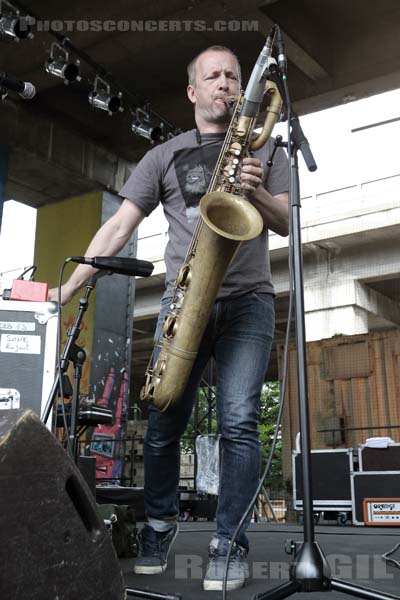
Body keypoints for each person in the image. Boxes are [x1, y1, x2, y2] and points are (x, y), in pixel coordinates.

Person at [50, 45, 289, 591]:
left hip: (248, 299)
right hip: (185, 304)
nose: (226, 83)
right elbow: (117, 229)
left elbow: (283, 223)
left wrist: (255, 190)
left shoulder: (267, 147)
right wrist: (68, 286)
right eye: (214, 76)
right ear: (193, 91)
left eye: (233, 75)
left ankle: (230, 543)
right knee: (161, 425)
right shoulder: (163, 156)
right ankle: (157, 524)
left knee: (239, 422)